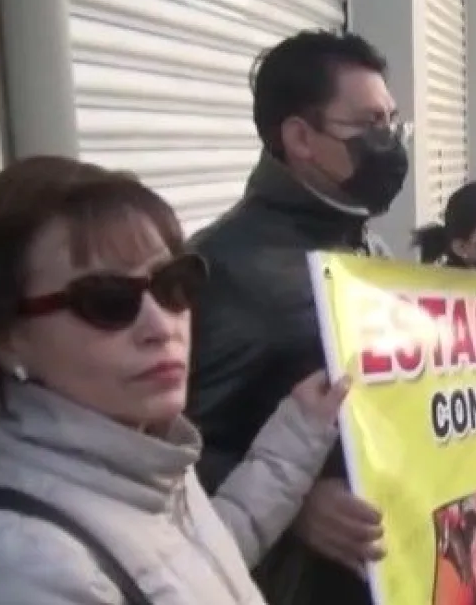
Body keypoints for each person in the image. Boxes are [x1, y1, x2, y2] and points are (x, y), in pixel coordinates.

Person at [0, 156, 349, 604]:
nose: (162, 324)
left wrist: (298, 433)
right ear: (5, 339)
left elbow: (188, 568)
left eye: (174, 284)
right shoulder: (10, 572)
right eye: (108, 300)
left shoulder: (138, 453)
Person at [186, 30, 408, 605]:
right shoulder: (220, 269)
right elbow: (168, 452)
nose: (389, 141)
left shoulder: (363, 246)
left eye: (392, 120)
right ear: (300, 138)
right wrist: (298, 505)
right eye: (368, 125)